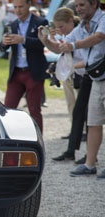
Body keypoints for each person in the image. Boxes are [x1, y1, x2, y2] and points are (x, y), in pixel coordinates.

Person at [38, 0, 105, 178]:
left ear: (94, 4)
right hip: (95, 77)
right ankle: (89, 164)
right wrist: (45, 41)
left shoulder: (103, 19)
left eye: (82, 5)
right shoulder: (81, 27)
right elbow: (61, 48)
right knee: (93, 122)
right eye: (77, 5)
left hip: (101, 74)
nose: (78, 9)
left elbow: (99, 37)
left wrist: (73, 46)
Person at [44, 8, 91, 163]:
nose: (59, 30)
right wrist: (46, 39)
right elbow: (60, 49)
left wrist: (70, 67)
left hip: (89, 77)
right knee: (77, 113)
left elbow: (89, 59)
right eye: (57, 27)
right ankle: (73, 151)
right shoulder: (73, 33)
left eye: (61, 27)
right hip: (78, 76)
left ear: (71, 21)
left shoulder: (81, 32)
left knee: (90, 118)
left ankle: (90, 155)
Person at [0, 0, 48, 134]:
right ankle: (8, 141)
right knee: (7, 109)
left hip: (33, 72)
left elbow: (44, 44)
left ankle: (38, 143)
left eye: (21, 7)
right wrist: (3, 43)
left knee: (34, 110)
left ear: (28, 5)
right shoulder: (11, 25)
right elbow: (2, 48)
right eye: (15, 7)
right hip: (16, 73)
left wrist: (24, 40)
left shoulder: (41, 22)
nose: (18, 10)